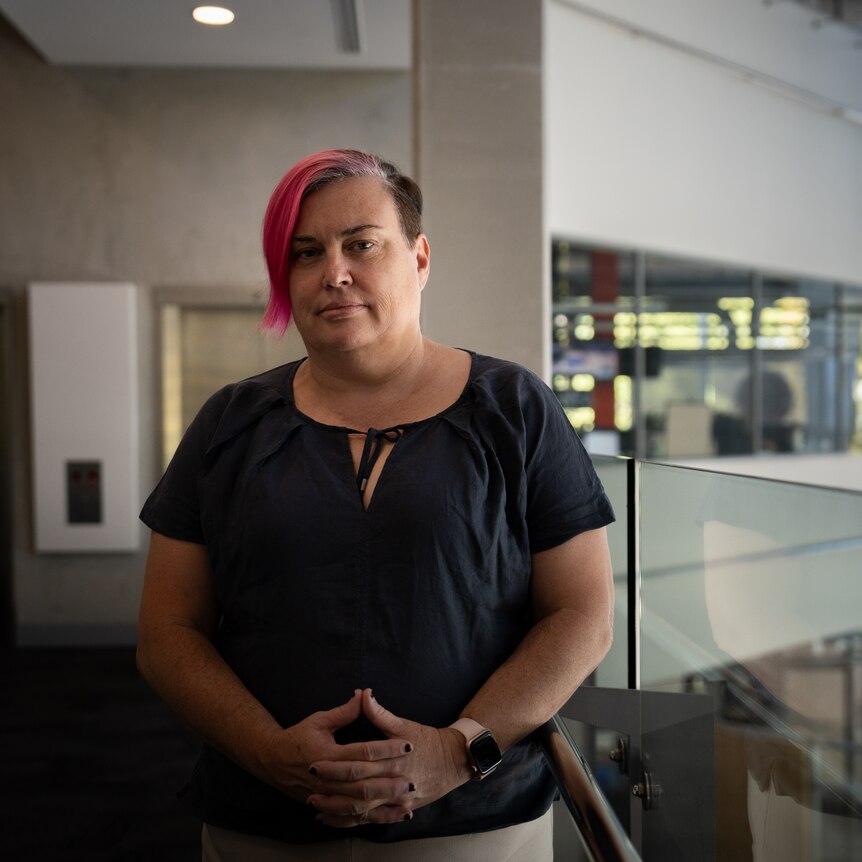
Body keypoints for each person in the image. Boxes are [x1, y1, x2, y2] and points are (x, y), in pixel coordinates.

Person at [136, 149, 615, 861]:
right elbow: (168, 631)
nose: (334, 273)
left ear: (419, 259)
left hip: (477, 827)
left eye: (361, 244)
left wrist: (460, 751)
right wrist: (267, 753)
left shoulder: (514, 410)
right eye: (306, 253)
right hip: (264, 825)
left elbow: (584, 614)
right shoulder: (232, 422)